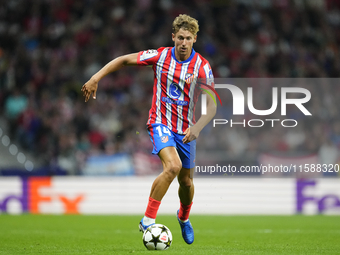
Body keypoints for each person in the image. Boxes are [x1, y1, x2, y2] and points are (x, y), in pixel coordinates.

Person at [81, 14, 216, 244]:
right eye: (180, 38)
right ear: (173, 37)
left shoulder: (202, 66)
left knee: (186, 182)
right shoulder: (161, 56)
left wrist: (198, 127)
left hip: (186, 130)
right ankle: (148, 220)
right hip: (160, 122)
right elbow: (124, 60)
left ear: (195, 40)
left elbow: (212, 104)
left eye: (188, 39)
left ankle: (183, 218)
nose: (184, 43)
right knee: (172, 166)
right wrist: (96, 77)